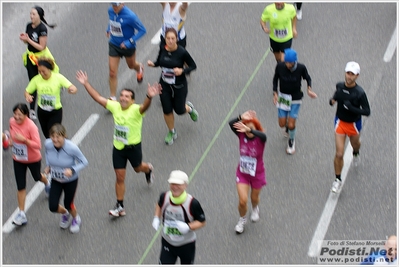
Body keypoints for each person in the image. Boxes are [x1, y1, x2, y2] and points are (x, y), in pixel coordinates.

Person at [75, 70, 161, 217]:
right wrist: (86, 84)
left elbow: (144, 107)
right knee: (120, 177)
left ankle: (148, 169)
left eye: (127, 96)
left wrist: (149, 97)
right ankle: (120, 205)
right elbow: (98, 98)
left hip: (133, 148)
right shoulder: (114, 106)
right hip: (118, 148)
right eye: (121, 95)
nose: (123, 98)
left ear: (132, 100)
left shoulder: (136, 110)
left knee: (138, 168)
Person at [147, 28, 197, 145]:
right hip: (164, 84)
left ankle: (189, 109)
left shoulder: (182, 52)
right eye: (168, 38)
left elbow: (193, 66)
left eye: (172, 38)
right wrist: (153, 64)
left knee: (179, 110)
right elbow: (159, 62)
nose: (170, 41)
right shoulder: (162, 48)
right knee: (167, 109)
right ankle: (172, 132)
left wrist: (182, 70)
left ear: (177, 39)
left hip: (179, 84)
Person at [329, 61, 370, 193]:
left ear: (357, 76)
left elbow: (367, 111)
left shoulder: (359, 93)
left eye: (352, 74)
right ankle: (337, 180)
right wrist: (333, 100)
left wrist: (352, 108)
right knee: (339, 153)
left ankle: (356, 153)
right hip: (340, 122)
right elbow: (337, 94)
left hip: (353, 125)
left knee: (355, 144)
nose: (349, 76)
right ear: (345, 73)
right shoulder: (340, 86)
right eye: (348, 73)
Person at [7, 103, 51, 226]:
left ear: (26, 115)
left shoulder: (31, 126)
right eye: (15, 114)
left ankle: (47, 182)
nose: (16, 117)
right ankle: (21, 214)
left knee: (37, 177)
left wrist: (24, 140)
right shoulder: (12, 121)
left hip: (32, 159)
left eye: (19, 115)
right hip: (18, 159)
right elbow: (12, 132)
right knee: (20, 186)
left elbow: (38, 145)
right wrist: (11, 140)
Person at [152, 170, 206, 264]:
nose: (175, 187)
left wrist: (188, 227)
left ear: (185, 185)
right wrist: (156, 217)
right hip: (167, 242)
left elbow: (202, 222)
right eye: (172, 183)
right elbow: (159, 204)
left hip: (186, 245)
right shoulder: (164, 196)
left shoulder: (192, 203)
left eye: (179, 184)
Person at [44, 124, 88, 233]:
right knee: (52, 206)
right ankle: (65, 214)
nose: (55, 139)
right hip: (56, 179)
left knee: (69, 203)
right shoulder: (48, 144)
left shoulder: (72, 148)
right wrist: (48, 165)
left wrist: (72, 170)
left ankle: (76, 219)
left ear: (64, 136)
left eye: (58, 137)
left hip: (70, 181)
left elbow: (84, 162)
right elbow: (47, 154)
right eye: (52, 136)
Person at [228, 110, 267, 234]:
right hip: (243, 174)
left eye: (251, 129)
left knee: (254, 198)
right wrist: (240, 117)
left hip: (257, 174)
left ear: (256, 129)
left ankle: (255, 208)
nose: (247, 131)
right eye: (245, 128)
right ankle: (242, 219)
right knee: (242, 200)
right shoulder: (241, 136)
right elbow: (231, 123)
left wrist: (250, 130)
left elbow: (263, 136)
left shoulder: (261, 139)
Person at [272, 48, 317, 155]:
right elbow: (275, 79)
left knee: (292, 124)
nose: (288, 64)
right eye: (286, 62)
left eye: (290, 62)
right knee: (282, 124)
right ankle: (288, 127)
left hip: (296, 98)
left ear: (295, 61)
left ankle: (291, 141)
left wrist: (309, 89)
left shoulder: (301, 68)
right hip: (283, 97)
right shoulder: (280, 67)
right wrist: (275, 93)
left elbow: (308, 78)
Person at [20, 5, 59, 120]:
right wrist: (24, 39)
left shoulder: (42, 29)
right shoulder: (29, 25)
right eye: (30, 14)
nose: (31, 16)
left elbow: (41, 47)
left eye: (34, 14)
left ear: (39, 16)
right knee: (33, 82)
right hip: (30, 57)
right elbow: (28, 43)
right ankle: (32, 109)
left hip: (41, 58)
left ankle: (57, 88)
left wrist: (28, 40)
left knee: (48, 76)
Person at [24, 57, 77, 139]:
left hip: (55, 111)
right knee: (47, 135)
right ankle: (60, 142)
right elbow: (27, 91)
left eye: (43, 71)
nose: (41, 73)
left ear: (49, 69)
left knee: (53, 133)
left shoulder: (58, 78)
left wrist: (72, 90)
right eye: (39, 71)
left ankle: (61, 146)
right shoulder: (36, 79)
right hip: (42, 112)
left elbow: (73, 87)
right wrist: (27, 96)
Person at [107, 2, 147, 100]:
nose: (114, 7)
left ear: (122, 3)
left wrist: (129, 42)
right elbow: (112, 20)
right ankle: (112, 97)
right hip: (114, 44)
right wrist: (109, 29)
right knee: (112, 72)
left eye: (116, 5)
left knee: (131, 65)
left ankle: (139, 68)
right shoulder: (110, 10)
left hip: (128, 47)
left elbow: (142, 30)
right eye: (113, 4)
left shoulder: (131, 16)